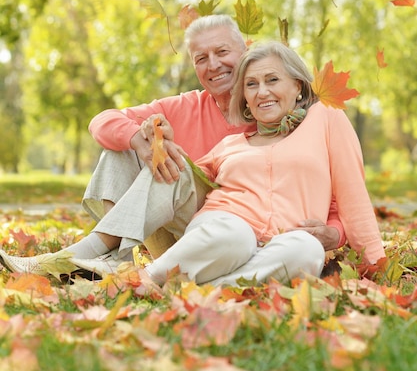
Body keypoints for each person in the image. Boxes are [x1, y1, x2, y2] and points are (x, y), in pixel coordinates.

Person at [0, 18, 344, 278]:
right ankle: (102, 253)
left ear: (246, 51)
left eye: (223, 52)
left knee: (175, 163)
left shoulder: (286, 112)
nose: (213, 65)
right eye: (201, 58)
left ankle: (118, 264)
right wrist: (140, 139)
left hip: (258, 229)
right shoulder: (185, 106)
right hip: (190, 228)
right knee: (131, 146)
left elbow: (330, 191)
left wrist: (335, 232)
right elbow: (103, 121)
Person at [141, 40, 385, 286]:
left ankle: (199, 287)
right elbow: (183, 180)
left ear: (297, 85)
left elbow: (353, 195)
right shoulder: (229, 144)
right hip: (223, 229)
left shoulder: (325, 118)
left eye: (272, 80)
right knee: (236, 236)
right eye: (251, 84)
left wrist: (376, 264)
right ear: (245, 97)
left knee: (308, 250)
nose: (262, 92)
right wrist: (165, 145)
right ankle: (150, 277)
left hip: (283, 245)